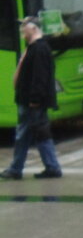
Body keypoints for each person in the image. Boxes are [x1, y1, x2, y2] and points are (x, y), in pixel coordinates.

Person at [2, 17, 63, 180]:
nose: (22, 30)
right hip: (28, 100)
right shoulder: (35, 48)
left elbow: (40, 78)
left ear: (34, 28)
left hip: (32, 102)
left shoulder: (39, 49)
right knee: (36, 133)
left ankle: (19, 169)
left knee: (28, 134)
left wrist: (35, 99)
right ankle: (50, 167)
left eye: (24, 27)